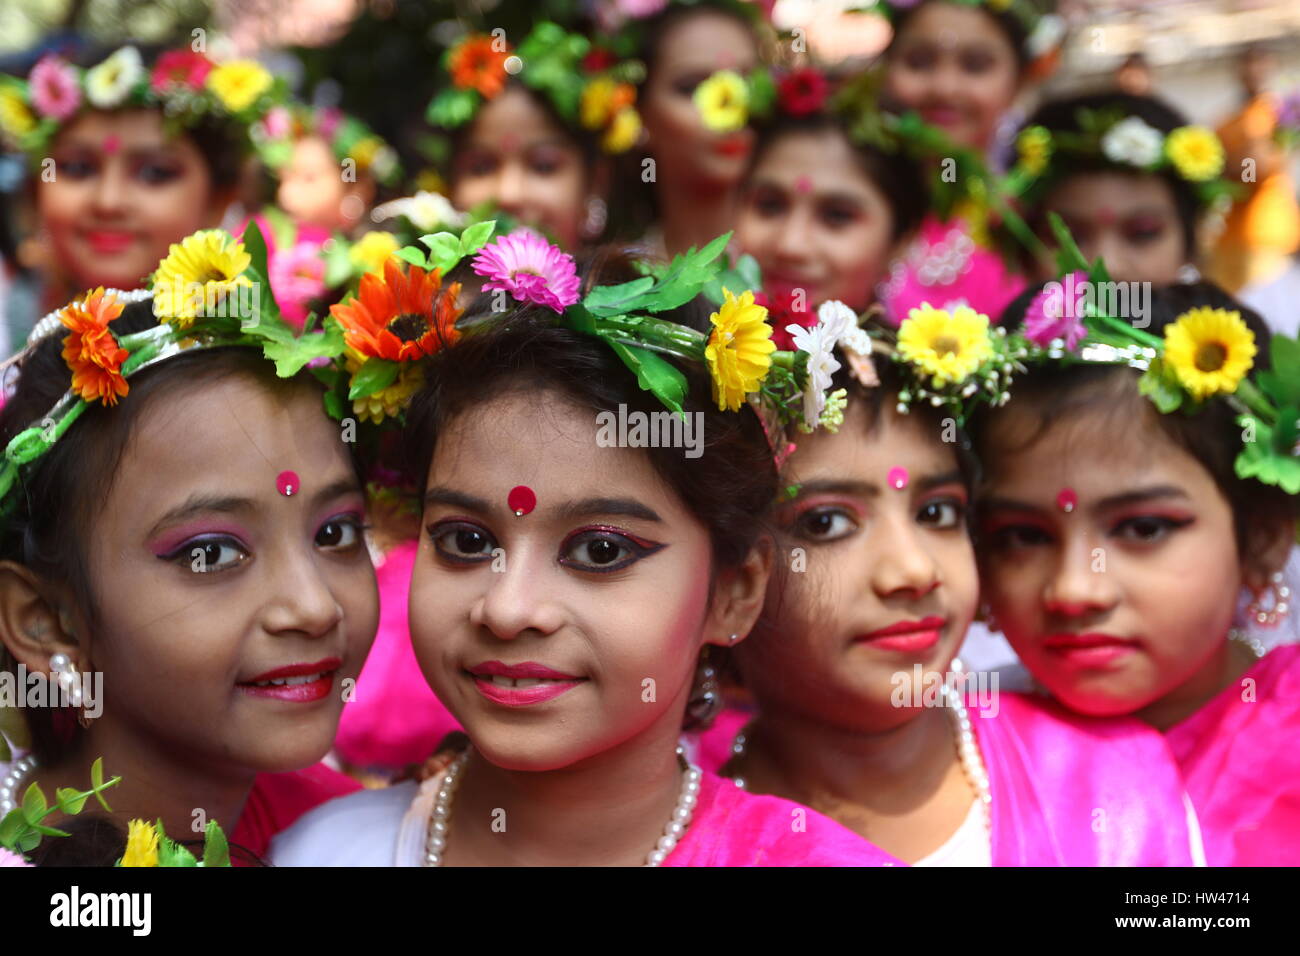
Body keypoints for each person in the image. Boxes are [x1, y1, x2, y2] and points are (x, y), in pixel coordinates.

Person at [271, 231, 901, 865]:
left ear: (734, 593)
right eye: (466, 541)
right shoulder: (316, 853)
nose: (509, 610)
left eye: (601, 551)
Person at [0, 227, 378, 864]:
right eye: (212, 553)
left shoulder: (360, 838)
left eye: (334, 533)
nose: (313, 608)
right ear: (46, 621)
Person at [972, 276, 1300, 865]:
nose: (1075, 589)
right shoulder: (948, 753)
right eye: (1021, 536)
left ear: (1265, 537)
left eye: (1143, 528)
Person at [0, 45, 283, 314]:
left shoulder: (255, 356)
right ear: (35, 190)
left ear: (219, 199)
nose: (109, 201)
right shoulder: (11, 329)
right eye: (77, 168)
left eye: (155, 173)